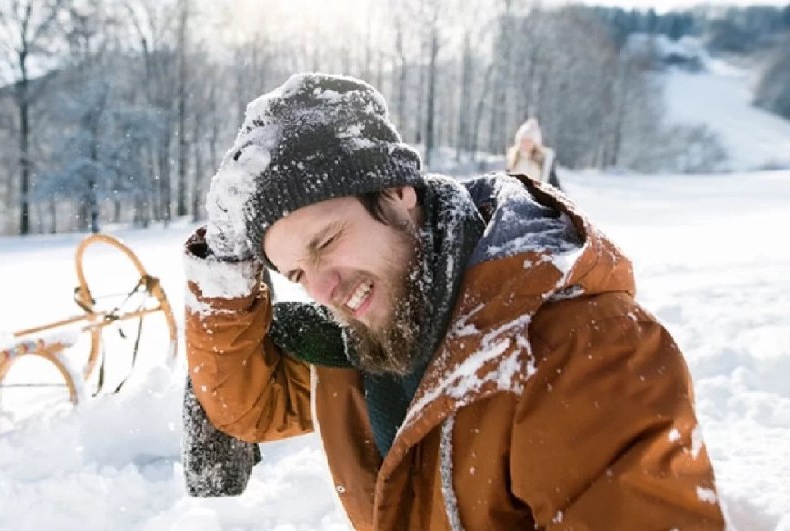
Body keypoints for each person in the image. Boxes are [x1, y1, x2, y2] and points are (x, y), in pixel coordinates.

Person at [183, 73, 725, 530]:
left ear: (398, 192)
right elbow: (247, 407)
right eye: (298, 272)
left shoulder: (582, 347)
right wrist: (224, 269)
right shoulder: (363, 338)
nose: (324, 291)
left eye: (327, 242)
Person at [506, 117, 561, 189]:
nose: (526, 143)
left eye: (529, 140)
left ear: (535, 142)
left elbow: (554, 186)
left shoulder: (544, 161)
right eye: (523, 140)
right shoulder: (513, 158)